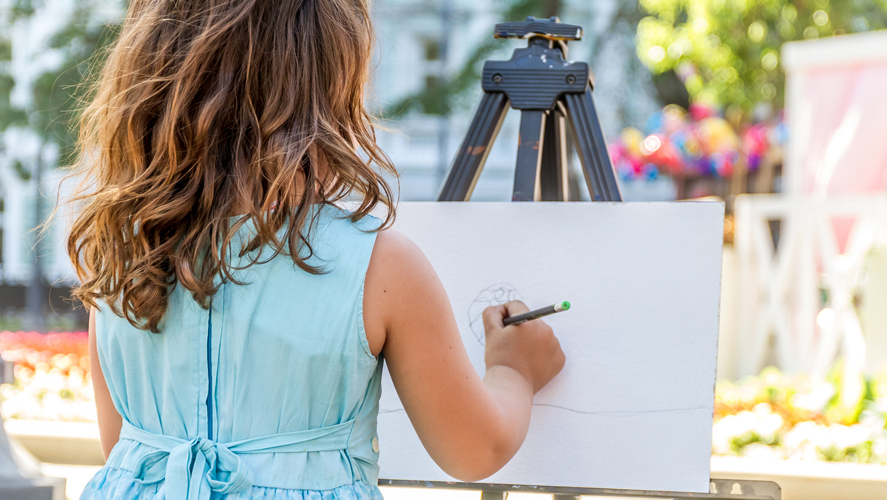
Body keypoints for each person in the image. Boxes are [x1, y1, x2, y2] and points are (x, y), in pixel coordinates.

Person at [67, 1, 566, 499]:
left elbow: (123, 449)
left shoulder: (122, 252)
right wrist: (513, 370)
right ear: (331, 86)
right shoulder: (380, 265)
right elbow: (474, 448)